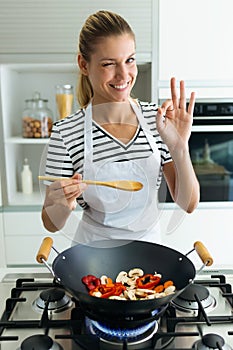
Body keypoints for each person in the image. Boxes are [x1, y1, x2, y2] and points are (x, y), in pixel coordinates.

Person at [41, 10, 199, 244]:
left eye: (130, 60)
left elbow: (188, 204)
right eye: (108, 64)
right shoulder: (66, 133)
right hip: (92, 259)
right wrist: (63, 206)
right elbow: (51, 224)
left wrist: (179, 148)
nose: (123, 75)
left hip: (150, 255)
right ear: (84, 64)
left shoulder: (157, 120)